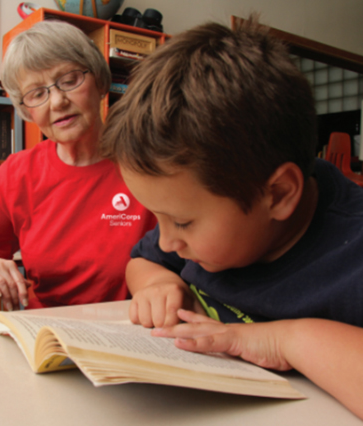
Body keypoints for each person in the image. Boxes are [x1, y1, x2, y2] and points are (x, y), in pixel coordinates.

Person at [100, 19, 363, 420]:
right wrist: (157, 284)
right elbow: (145, 260)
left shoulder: (352, 255)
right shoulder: (191, 229)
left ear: (277, 195)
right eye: (158, 219)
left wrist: (279, 340)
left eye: (183, 223)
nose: (168, 241)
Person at [0, 20, 156, 311]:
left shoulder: (151, 162)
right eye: (37, 93)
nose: (57, 101)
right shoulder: (19, 172)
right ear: (26, 109)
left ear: (98, 80)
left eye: (69, 80)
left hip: (130, 331)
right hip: (44, 335)